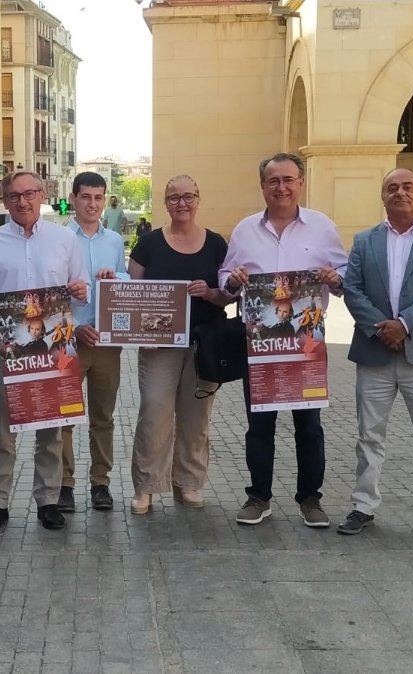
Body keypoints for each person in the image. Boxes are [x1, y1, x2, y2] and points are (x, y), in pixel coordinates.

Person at [219, 153, 346, 528]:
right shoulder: (245, 230)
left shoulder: (322, 227)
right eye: (273, 180)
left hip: (305, 342)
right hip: (260, 342)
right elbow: (225, 276)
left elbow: (344, 274)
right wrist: (232, 280)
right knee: (260, 424)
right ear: (262, 186)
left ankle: (310, 499)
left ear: (301, 183)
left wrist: (335, 278)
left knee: (309, 425)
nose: (281, 187)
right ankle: (259, 497)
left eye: (288, 179)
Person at [337, 167, 413, 544]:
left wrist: (404, 325)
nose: (400, 193)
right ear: (383, 196)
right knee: (368, 435)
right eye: (392, 187)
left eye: (408, 187)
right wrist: (381, 327)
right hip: (374, 352)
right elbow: (353, 289)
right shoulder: (365, 240)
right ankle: (363, 506)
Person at [0, 170, 89, 532]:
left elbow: (81, 289)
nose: (22, 202)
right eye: (14, 196)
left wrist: (80, 290)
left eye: (29, 194)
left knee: (51, 429)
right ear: (5, 200)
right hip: (6, 343)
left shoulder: (64, 239)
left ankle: (48, 500)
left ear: (42, 195)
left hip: (53, 344)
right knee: (3, 430)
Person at [129, 175, 230, 514]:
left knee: (196, 417)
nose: (182, 203)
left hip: (204, 343)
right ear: (165, 203)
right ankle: (146, 485)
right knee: (154, 412)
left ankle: (188, 481)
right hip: (158, 346)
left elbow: (229, 295)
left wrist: (211, 292)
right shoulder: (148, 244)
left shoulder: (216, 244)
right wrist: (142, 334)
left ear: (198, 199)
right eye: (174, 197)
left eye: (188, 196)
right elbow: (132, 297)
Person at [59, 171, 129, 514]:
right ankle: (64, 484)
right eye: (85, 197)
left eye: (98, 197)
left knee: (103, 416)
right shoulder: (58, 239)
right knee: (64, 418)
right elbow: (49, 292)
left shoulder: (113, 241)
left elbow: (126, 277)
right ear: (73, 198)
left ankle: (100, 482)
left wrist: (116, 277)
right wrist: (72, 328)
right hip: (68, 342)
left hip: (105, 342)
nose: (92, 204)